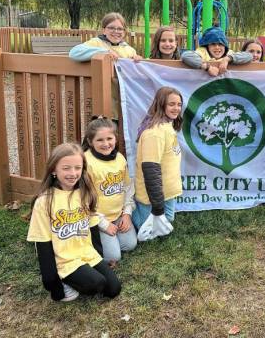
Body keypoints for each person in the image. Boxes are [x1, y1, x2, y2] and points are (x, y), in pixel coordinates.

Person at [27, 143, 121, 302]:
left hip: (86, 254)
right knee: (96, 284)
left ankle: (86, 276)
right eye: (66, 168)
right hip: (64, 260)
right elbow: (43, 243)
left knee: (113, 289)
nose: (73, 173)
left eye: (77, 168)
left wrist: (99, 258)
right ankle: (65, 281)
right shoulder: (44, 201)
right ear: (53, 169)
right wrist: (51, 281)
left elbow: (93, 228)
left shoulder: (85, 192)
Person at [82, 116, 137, 265]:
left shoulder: (119, 158)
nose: (106, 144)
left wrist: (126, 213)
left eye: (109, 138)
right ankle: (89, 239)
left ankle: (111, 239)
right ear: (90, 142)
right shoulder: (87, 163)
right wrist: (104, 225)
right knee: (114, 256)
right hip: (96, 218)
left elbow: (127, 187)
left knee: (130, 244)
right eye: (100, 140)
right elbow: (83, 201)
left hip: (118, 215)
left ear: (115, 138)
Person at [68, 12, 142, 120]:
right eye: (111, 28)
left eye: (120, 29)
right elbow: (74, 53)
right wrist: (103, 51)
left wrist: (138, 60)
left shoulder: (129, 50)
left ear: (124, 32)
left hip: (123, 105)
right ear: (104, 30)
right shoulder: (97, 43)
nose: (116, 32)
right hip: (102, 105)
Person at [133, 87, 184, 241]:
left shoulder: (167, 125)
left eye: (179, 104)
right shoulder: (154, 133)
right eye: (171, 104)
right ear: (161, 105)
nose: (176, 108)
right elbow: (151, 170)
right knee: (145, 233)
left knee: (166, 224)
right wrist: (157, 206)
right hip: (152, 196)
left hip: (166, 192)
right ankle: (126, 214)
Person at [181, 26, 252, 76]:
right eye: (213, 44)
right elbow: (186, 55)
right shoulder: (203, 52)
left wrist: (227, 59)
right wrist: (208, 67)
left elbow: (249, 56)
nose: (217, 47)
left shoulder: (229, 53)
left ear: (225, 46)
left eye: (220, 44)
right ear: (207, 46)